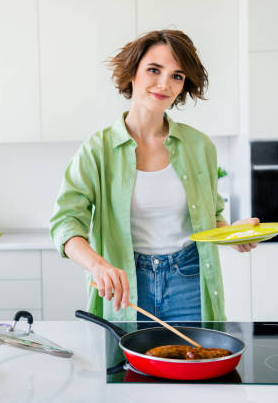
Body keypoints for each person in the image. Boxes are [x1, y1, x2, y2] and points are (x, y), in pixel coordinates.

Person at [49, 29, 258, 322]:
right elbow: (65, 223)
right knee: (127, 368)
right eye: (154, 70)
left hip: (189, 280)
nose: (164, 84)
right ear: (133, 72)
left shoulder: (199, 146)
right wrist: (98, 266)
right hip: (126, 284)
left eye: (177, 75)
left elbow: (211, 219)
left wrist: (234, 234)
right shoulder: (98, 149)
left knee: (196, 362)